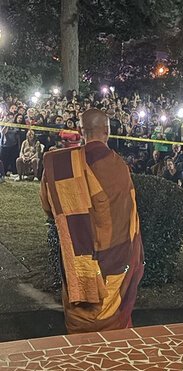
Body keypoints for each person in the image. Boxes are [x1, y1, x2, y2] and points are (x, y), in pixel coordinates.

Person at [40, 108, 144, 334]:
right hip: (115, 256)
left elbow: (50, 209)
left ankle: (80, 360)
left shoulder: (59, 164)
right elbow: (128, 214)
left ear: (79, 130)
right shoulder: (119, 167)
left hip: (79, 258)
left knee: (81, 320)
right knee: (112, 322)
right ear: (108, 131)